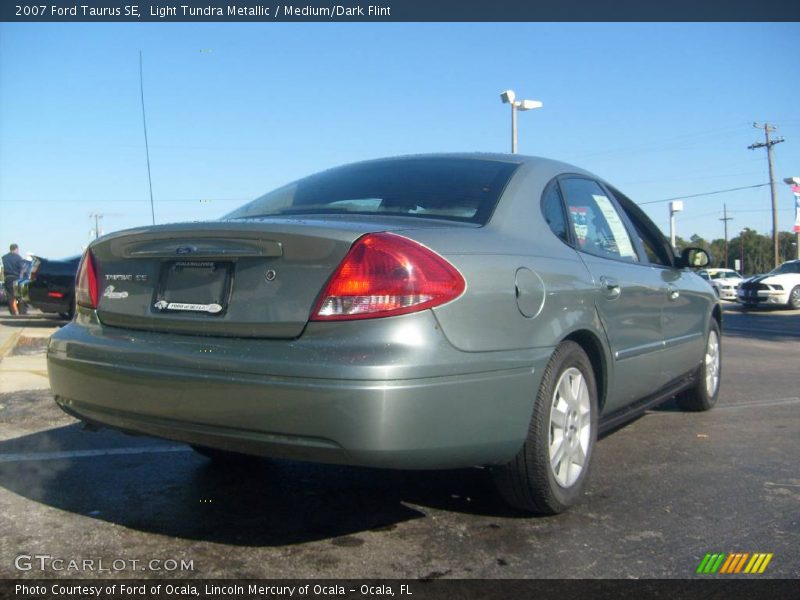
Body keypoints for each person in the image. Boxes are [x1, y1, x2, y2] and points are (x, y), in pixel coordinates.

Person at [2, 244, 25, 316]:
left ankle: (13, 312)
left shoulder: (4, 257)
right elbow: (22, 269)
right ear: (16, 249)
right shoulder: (18, 257)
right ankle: (21, 311)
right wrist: (22, 277)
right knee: (19, 295)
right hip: (16, 278)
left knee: (10, 296)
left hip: (7, 278)